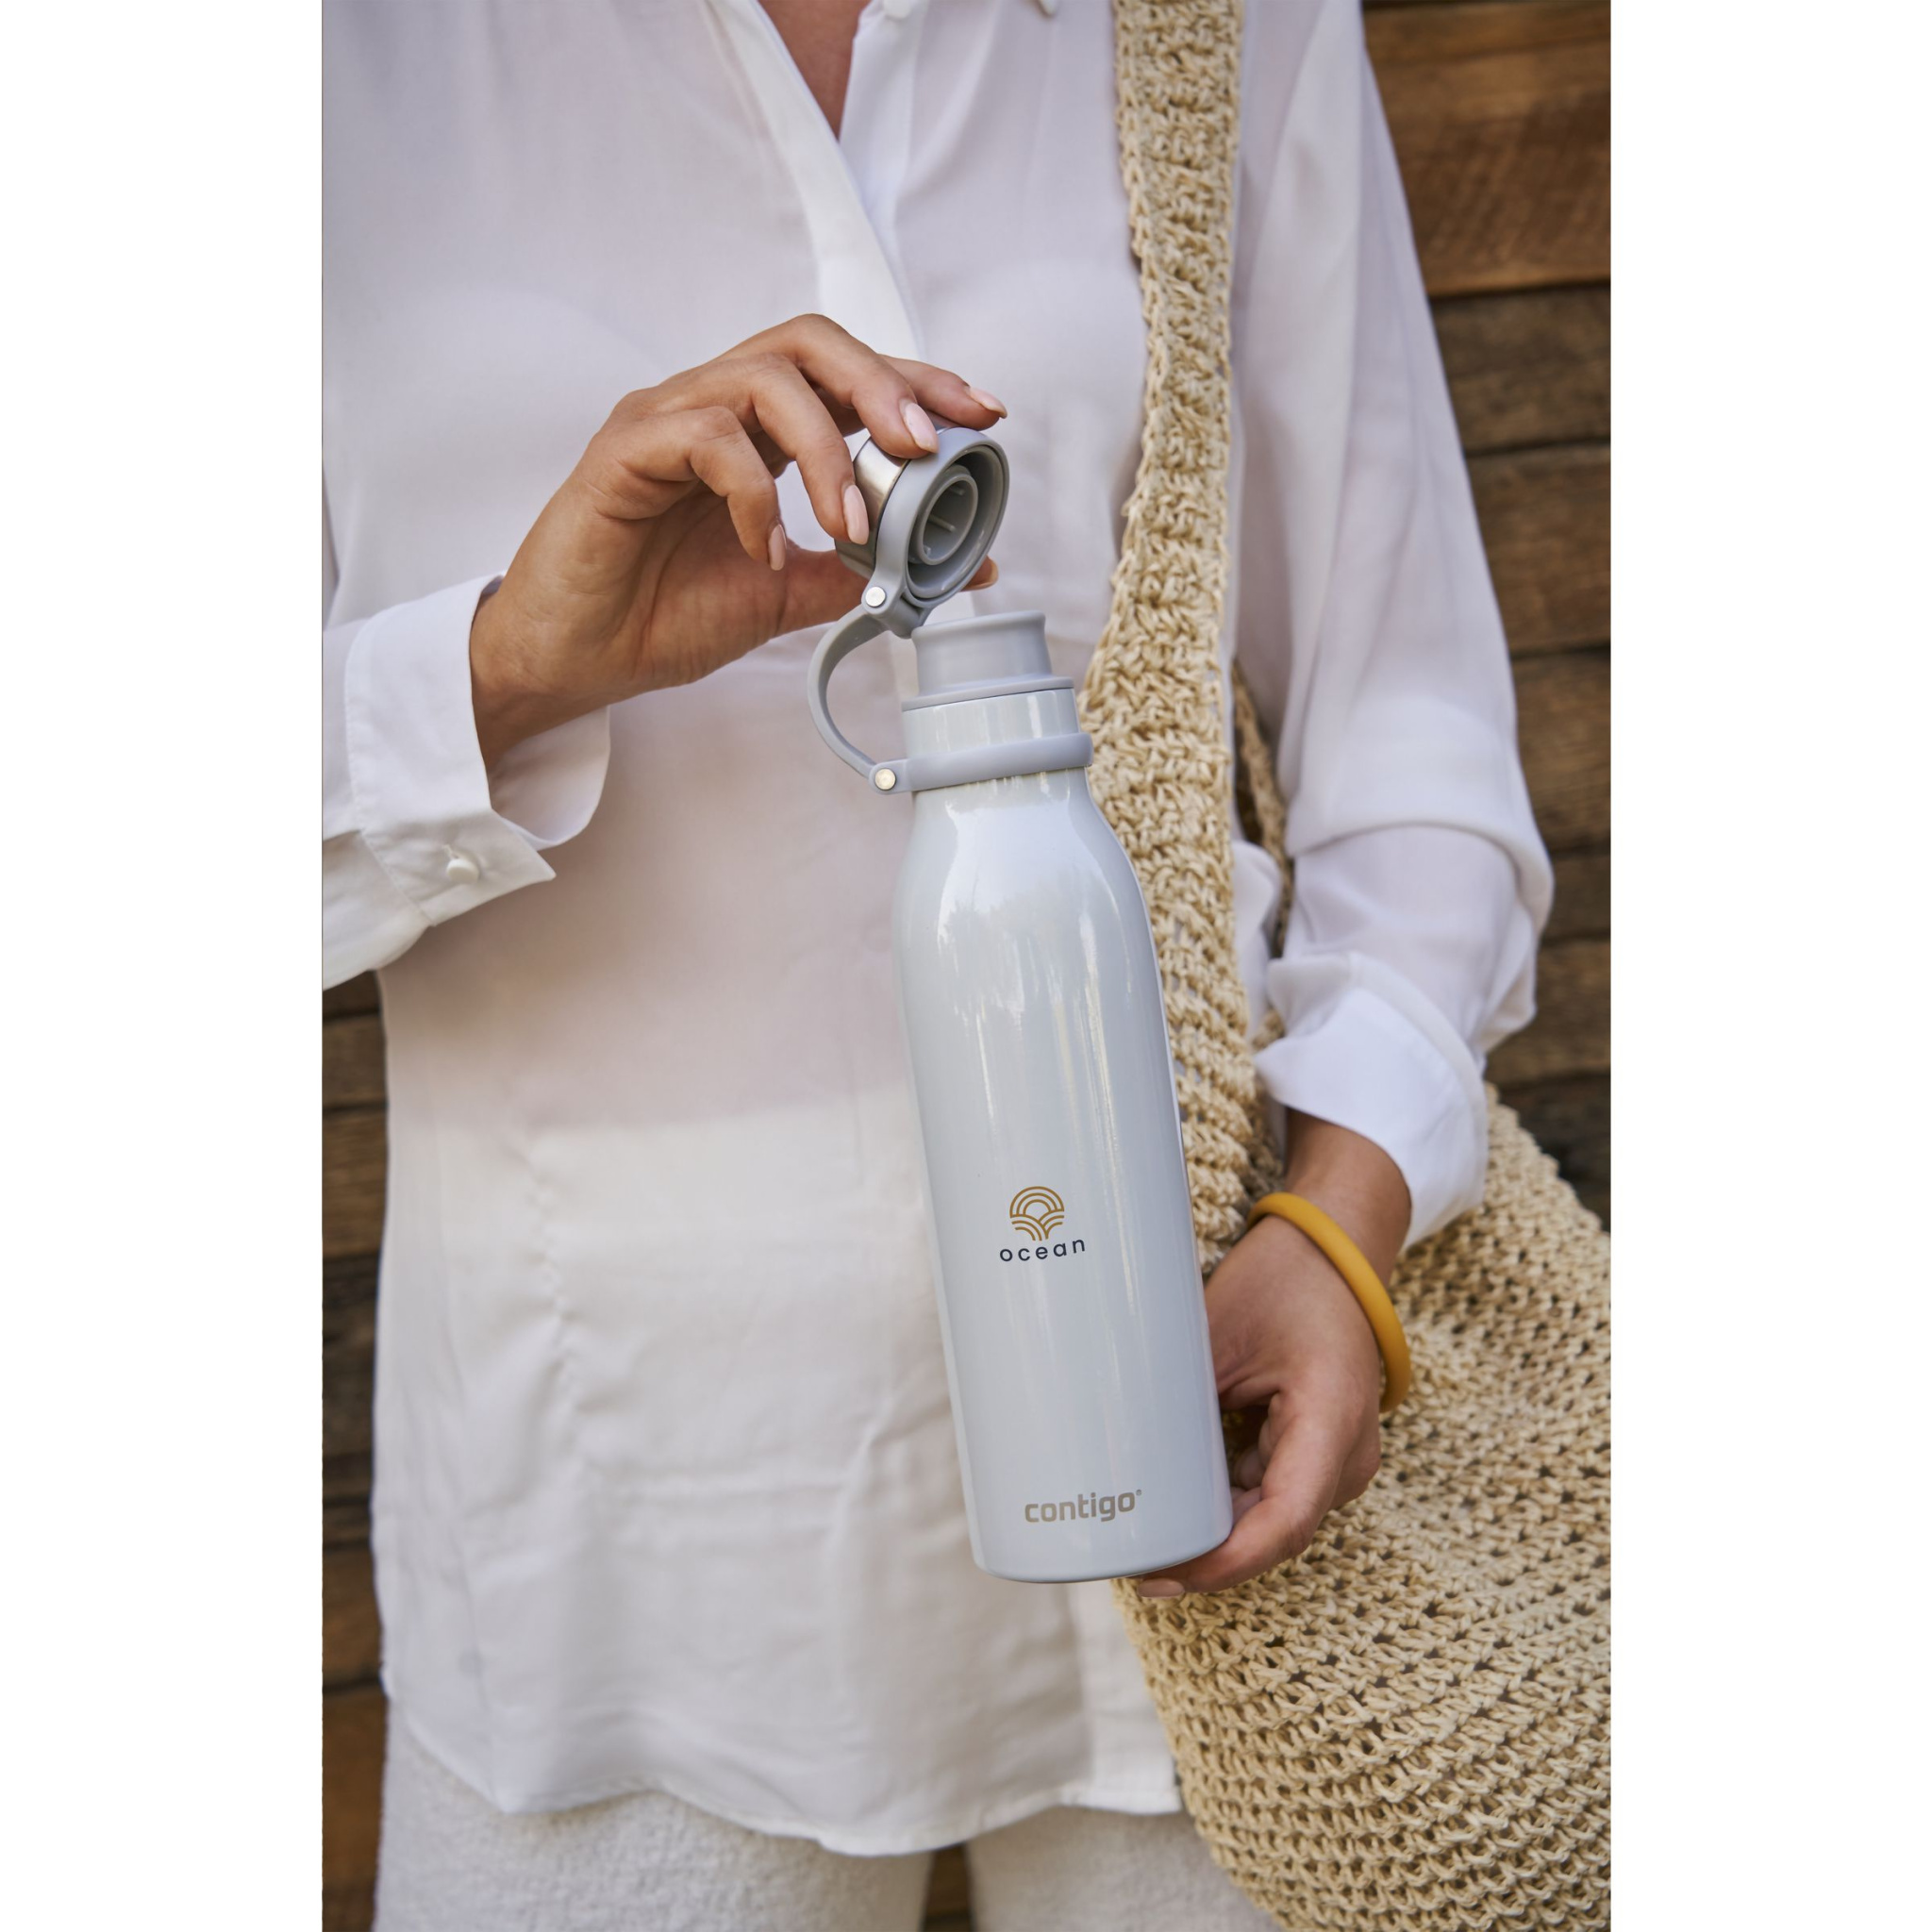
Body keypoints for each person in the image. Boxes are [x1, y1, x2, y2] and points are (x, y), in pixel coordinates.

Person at [323, 1, 1551, 1924]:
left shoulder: (1219, 25)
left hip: (1208, 1431)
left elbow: (1411, 734)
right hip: (625, 1539)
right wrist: (501, 667)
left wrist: (1341, 1225)